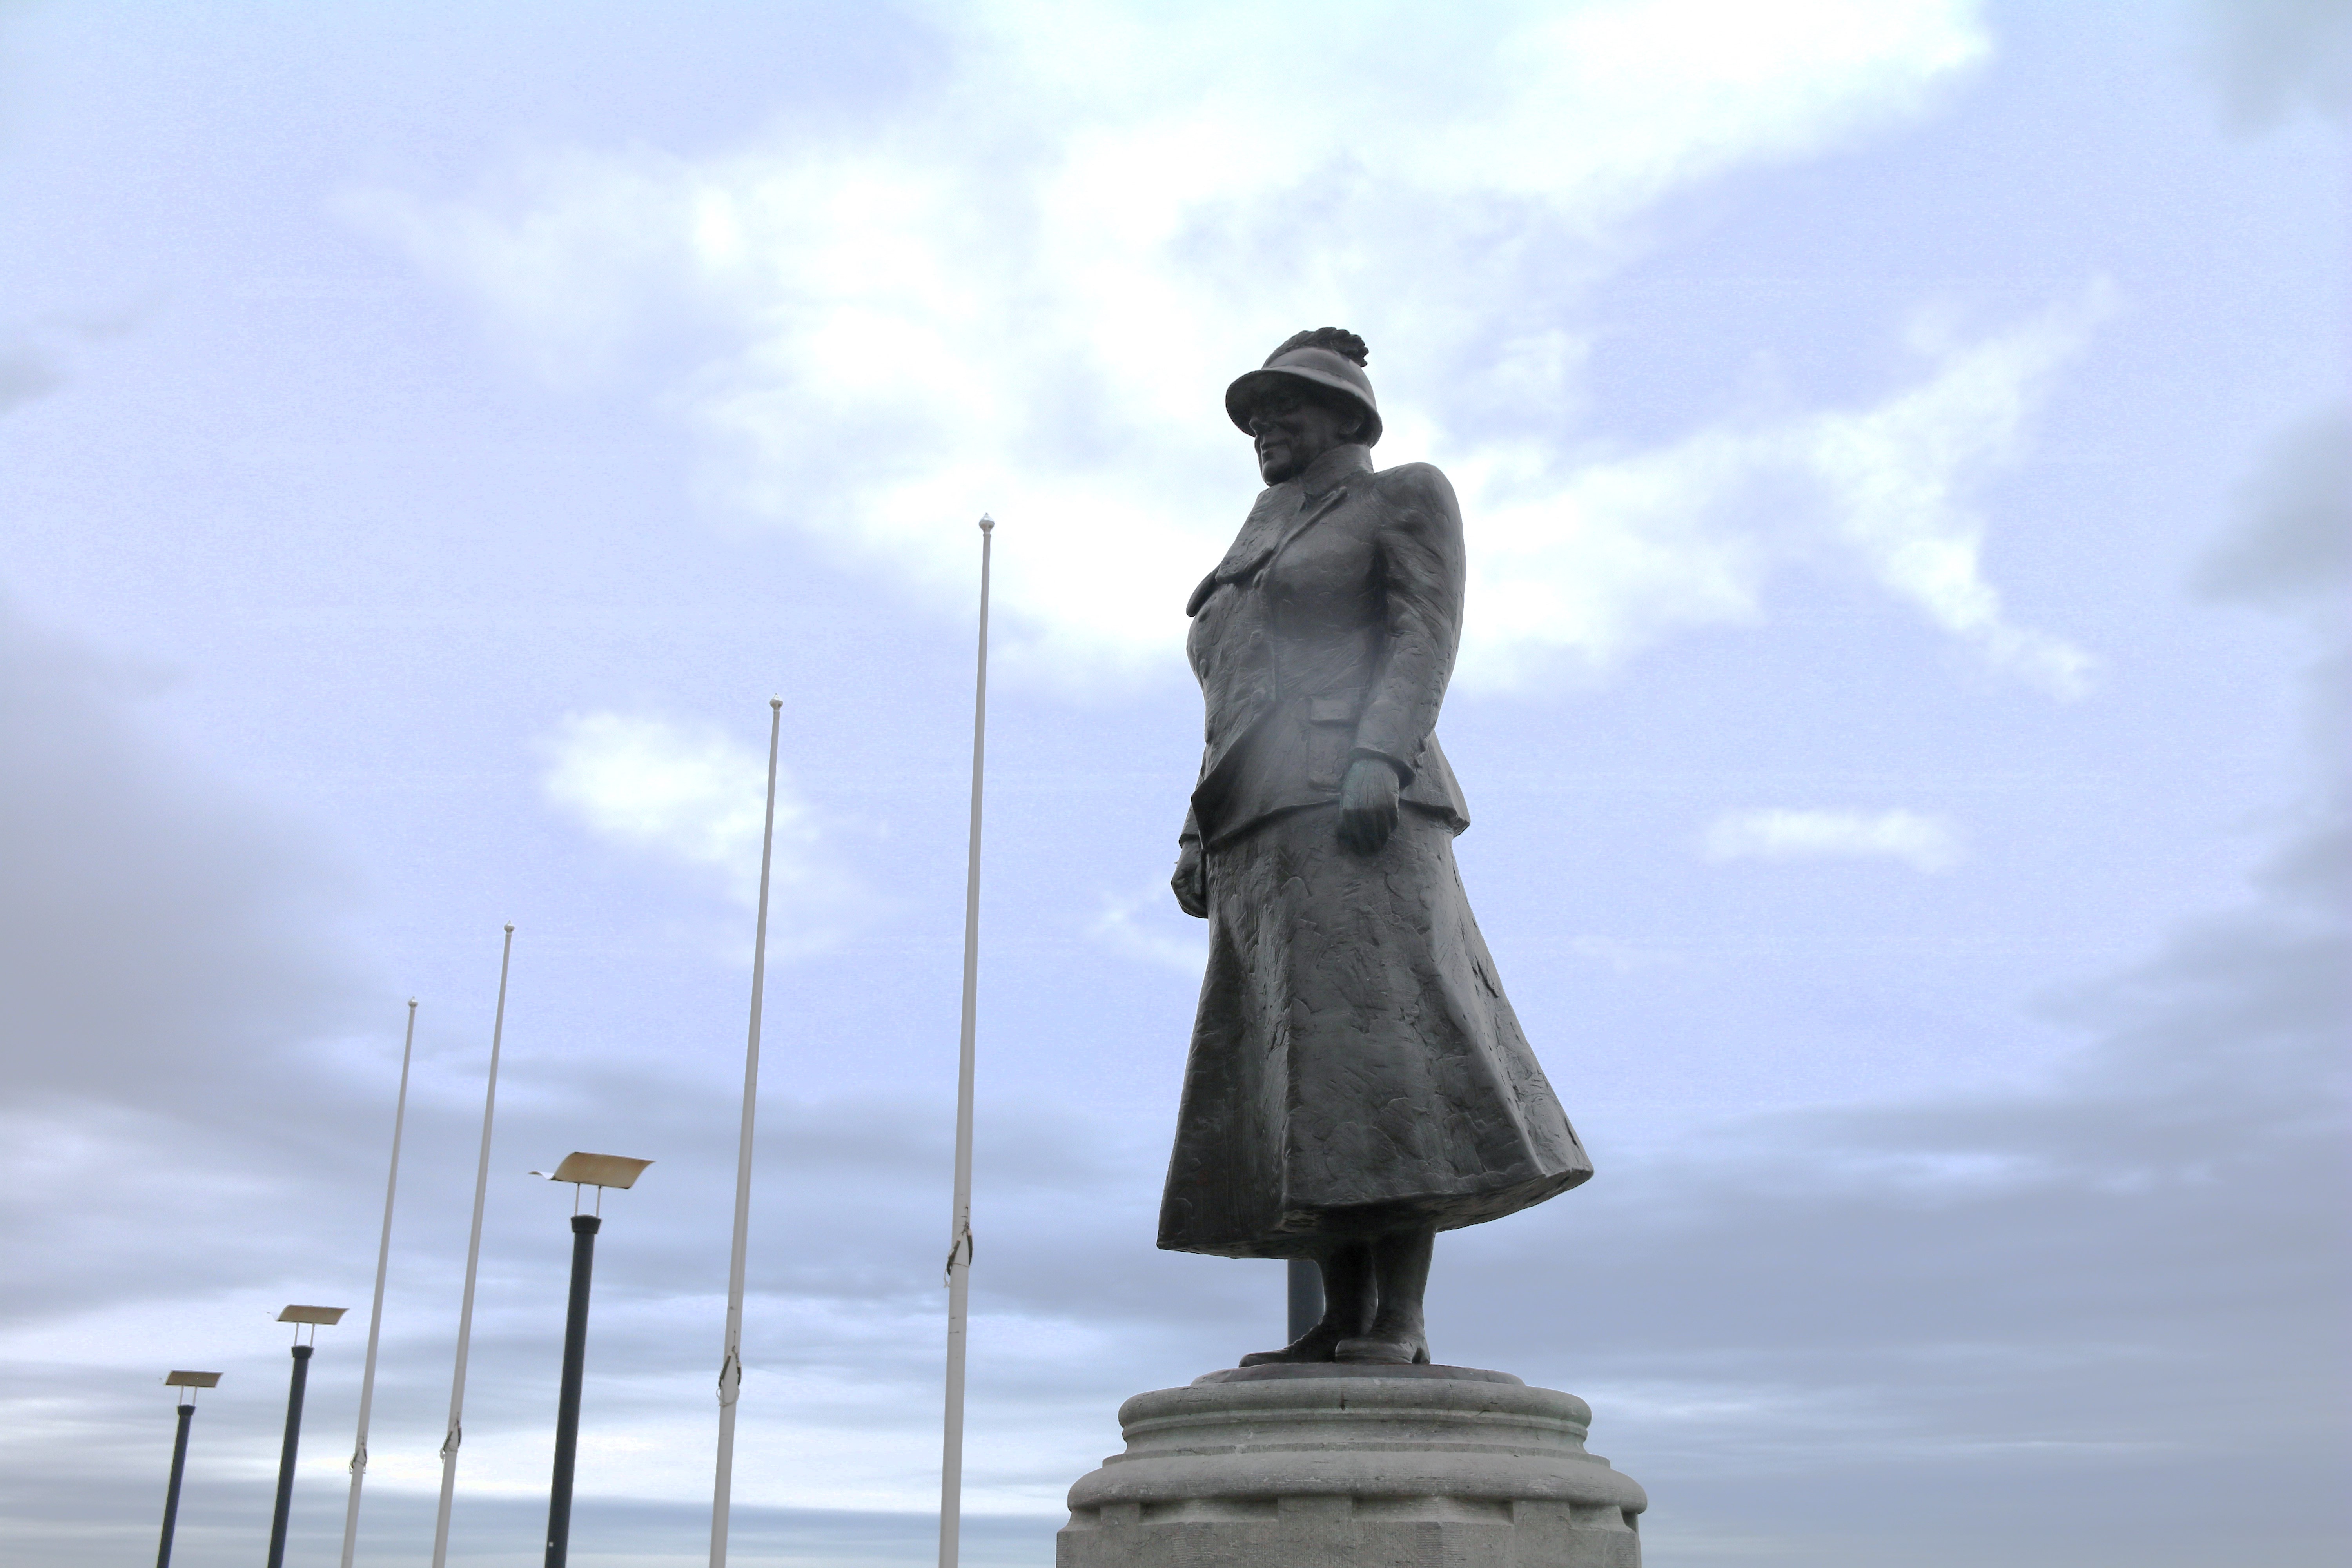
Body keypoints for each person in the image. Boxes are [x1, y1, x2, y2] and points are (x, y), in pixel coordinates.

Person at [1160, 328, 1591, 1367]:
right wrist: (1195, 830)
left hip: (1360, 805)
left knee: (1385, 1048)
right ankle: (1341, 1314)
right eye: (1255, 413)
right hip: (1257, 822)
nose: (1265, 426)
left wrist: (1380, 758)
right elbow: (1230, 706)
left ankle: (1400, 1316)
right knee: (1297, 1068)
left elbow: (1423, 630)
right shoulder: (1255, 539)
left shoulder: (1402, 496)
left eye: (1287, 407)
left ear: (1347, 417)